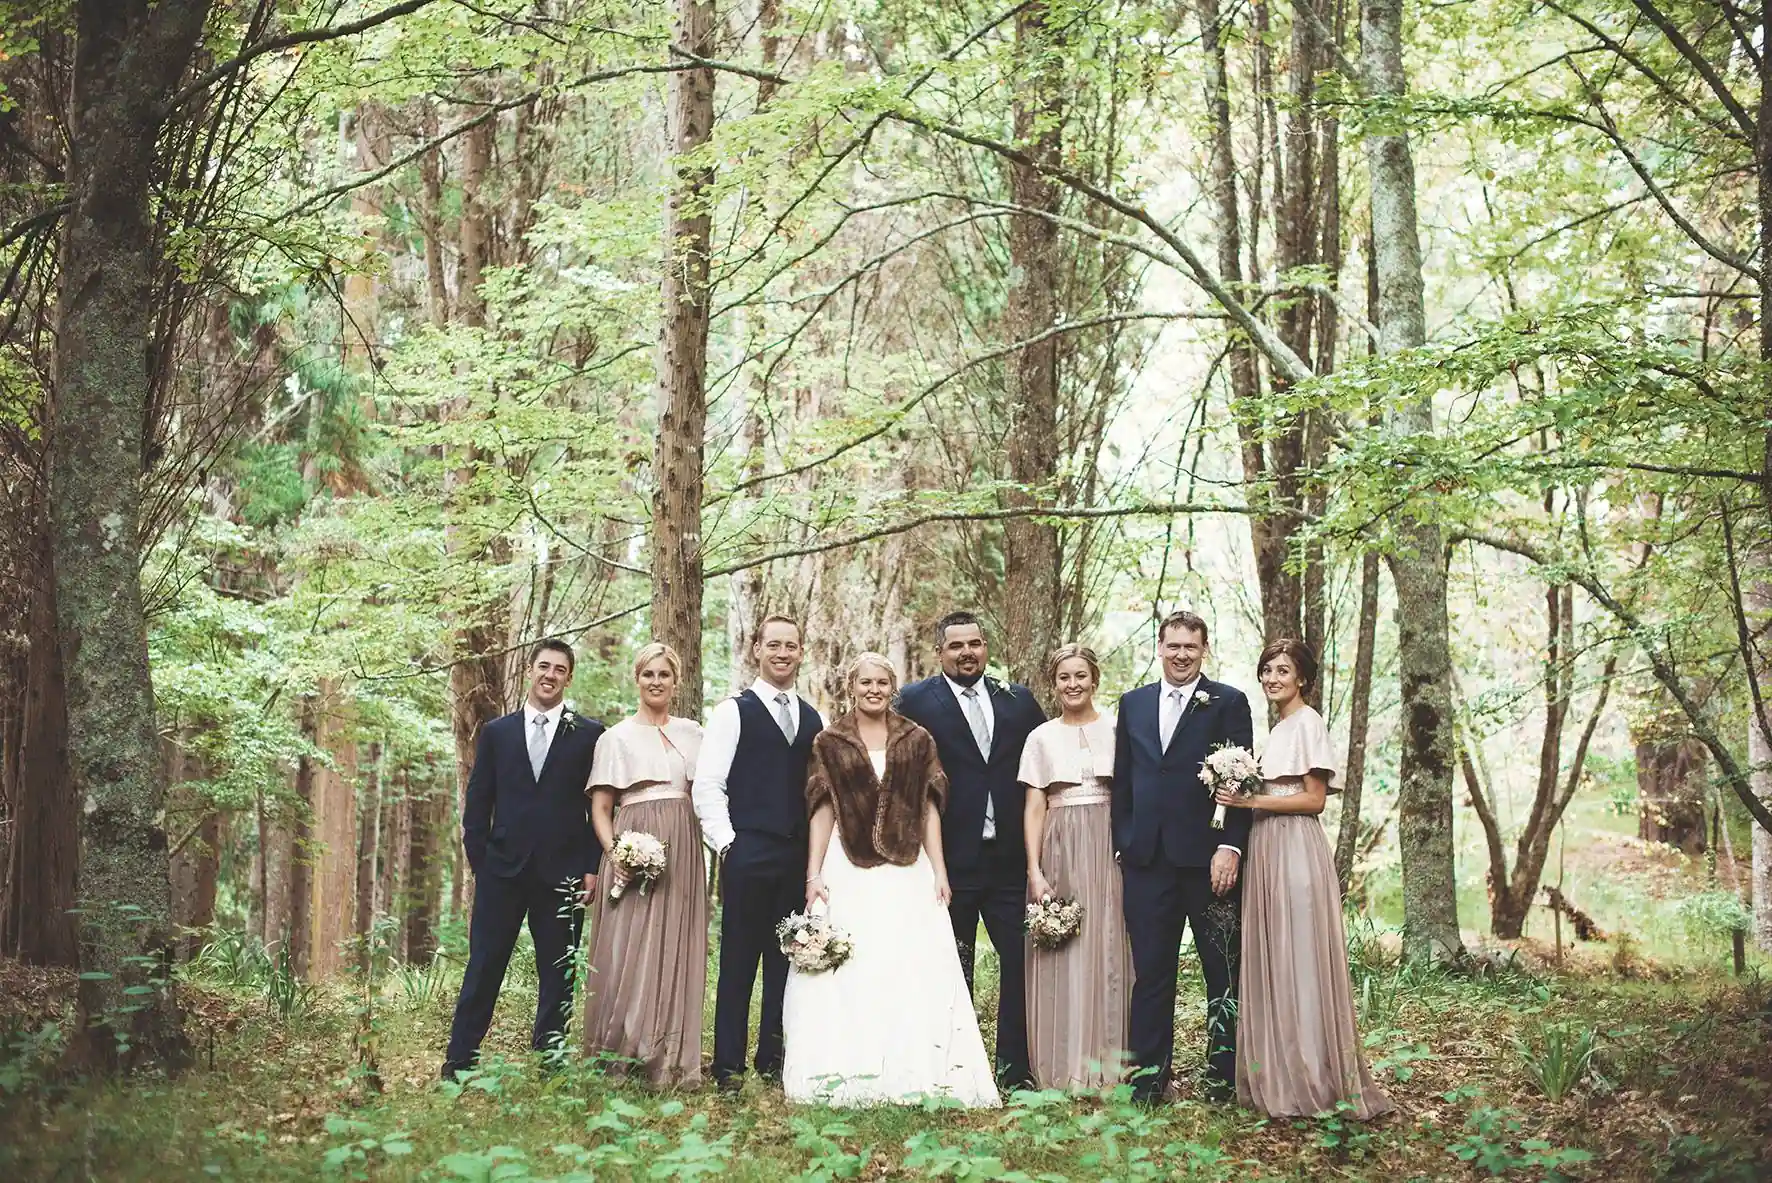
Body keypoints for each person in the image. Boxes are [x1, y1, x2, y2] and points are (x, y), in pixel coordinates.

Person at [782, 653, 999, 1107]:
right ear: (851, 686)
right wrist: (813, 874)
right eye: (865, 682)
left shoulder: (916, 740)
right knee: (852, 966)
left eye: (882, 682)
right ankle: (847, 1073)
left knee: (909, 964)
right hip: (848, 864)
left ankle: (917, 1070)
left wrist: (939, 870)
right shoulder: (830, 741)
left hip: (908, 866)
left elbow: (929, 810)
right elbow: (822, 810)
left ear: (893, 687)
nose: (874, 689)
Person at [1214, 639, 1394, 1120]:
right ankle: (1281, 1071)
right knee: (1277, 955)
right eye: (1267, 669)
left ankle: (1314, 1076)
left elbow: (1314, 799)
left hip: (1294, 846)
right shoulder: (1277, 730)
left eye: (1283, 670)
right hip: (1266, 847)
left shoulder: (1308, 723)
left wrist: (1250, 803)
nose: (1273, 678)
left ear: (1303, 679)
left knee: (1300, 955)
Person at [895, 611, 1045, 1090]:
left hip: (1008, 861)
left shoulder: (1017, 700)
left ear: (986, 647)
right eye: (956, 645)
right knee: (950, 964)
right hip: (948, 860)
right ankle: (952, 1069)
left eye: (976, 644)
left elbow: (1042, 768)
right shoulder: (915, 701)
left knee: (1020, 963)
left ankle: (1013, 1069)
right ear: (939, 651)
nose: (967, 653)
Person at [442, 639, 604, 1080]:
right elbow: (477, 806)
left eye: (559, 669)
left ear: (569, 678)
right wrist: (483, 865)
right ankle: (460, 1061)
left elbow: (598, 808)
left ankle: (549, 1062)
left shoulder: (590, 735)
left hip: (564, 873)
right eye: (543, 666)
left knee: (558, 973)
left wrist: (591, 867)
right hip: (503, 873)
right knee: (484, 966)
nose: (550, 675)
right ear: (529, 671)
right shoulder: (497, 733)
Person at [1111, 610, 1253, 1104]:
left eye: (1190, 647)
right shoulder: (1133, 704)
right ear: (1160, 645)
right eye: (1173, 646)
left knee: (1223, 971)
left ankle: (1220, 1083)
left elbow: (1240, 782)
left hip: (1207, 862)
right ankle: (1148, 1085)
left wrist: (1230, 847)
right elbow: (1124, 779)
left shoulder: (1228, 703)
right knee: (1151, 974)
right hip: (1147, 862)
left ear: (1204, 649)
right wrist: (1125, 841)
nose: (1181, 655)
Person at [692, 614, 825, 1091]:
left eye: (791, 645)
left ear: (800, 652)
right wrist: (729, 844)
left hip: (797, 856)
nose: (783, 653)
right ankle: (728, 1067)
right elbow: (708, 784)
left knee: (787, 960)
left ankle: (773, 1058)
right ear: (757, 649)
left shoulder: (815, 718)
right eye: (774, 645)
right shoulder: (734, 711)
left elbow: (820, 794)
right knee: (739, 960)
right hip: (748, 850)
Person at [581, 642, 707, 1088]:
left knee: (675, 943)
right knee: (628, 945)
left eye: (664, 675)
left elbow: (705, 795)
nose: (656, 682)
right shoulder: (614, 738)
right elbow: (601, 807)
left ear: (676, 682)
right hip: (632, 841)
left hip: (683, 847)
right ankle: (621, 1050)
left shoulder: (694, 733)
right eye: (648, 674)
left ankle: (669, 1056)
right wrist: (618, 853)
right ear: (637, 678)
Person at [1020, 643, 1131, 1091]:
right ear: (1054, 683)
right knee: (1065, 947)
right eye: (1064, 677)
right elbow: (1033, 807)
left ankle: (1111, 1063)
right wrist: (1035, 869)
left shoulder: (1119, 731)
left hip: (1108, 846)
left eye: (1080, 675)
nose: (1072, 684)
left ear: (1095, 679)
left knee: (1108, 944)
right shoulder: (1041, 737)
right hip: (1061, 845)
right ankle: (1063, 1063)